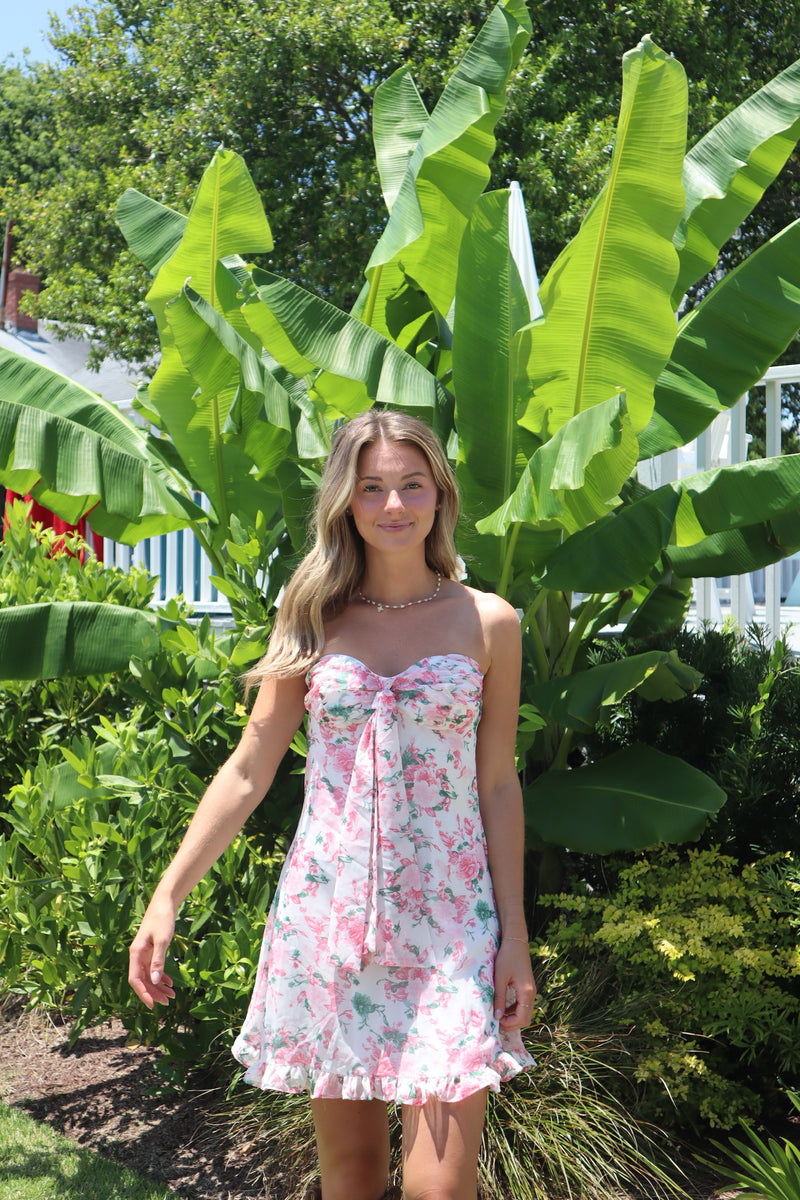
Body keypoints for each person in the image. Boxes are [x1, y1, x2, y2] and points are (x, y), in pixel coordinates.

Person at [129, 409, 536, 1200]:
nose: (393, 505)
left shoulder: (490, 622)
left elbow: (496, 784)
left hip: (450, 924)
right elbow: (250, 769)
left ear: (439, 495)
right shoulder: (311, 615)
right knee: (348, 1179)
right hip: (329, 918)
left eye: (411, 485)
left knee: (440, 1189)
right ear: (345, 502)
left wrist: (513, 933)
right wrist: (167, 895)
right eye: (372, 487)